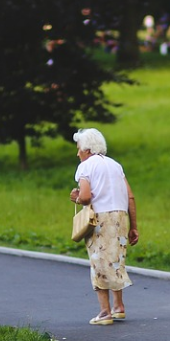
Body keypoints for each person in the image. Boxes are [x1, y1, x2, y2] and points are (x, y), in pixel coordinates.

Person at [69, 128, 139, 326]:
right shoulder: (115, 165)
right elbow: (130, 197)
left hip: (100, 219)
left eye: (78, 149)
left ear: (87, 149)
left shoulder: (85, 167)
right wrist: (134, 226)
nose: (77, 153)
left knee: (99, 263)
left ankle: (104, 312)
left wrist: (76, 197)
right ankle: (119, 307)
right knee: (115, 260)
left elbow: (85, 197)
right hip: (120, 217)